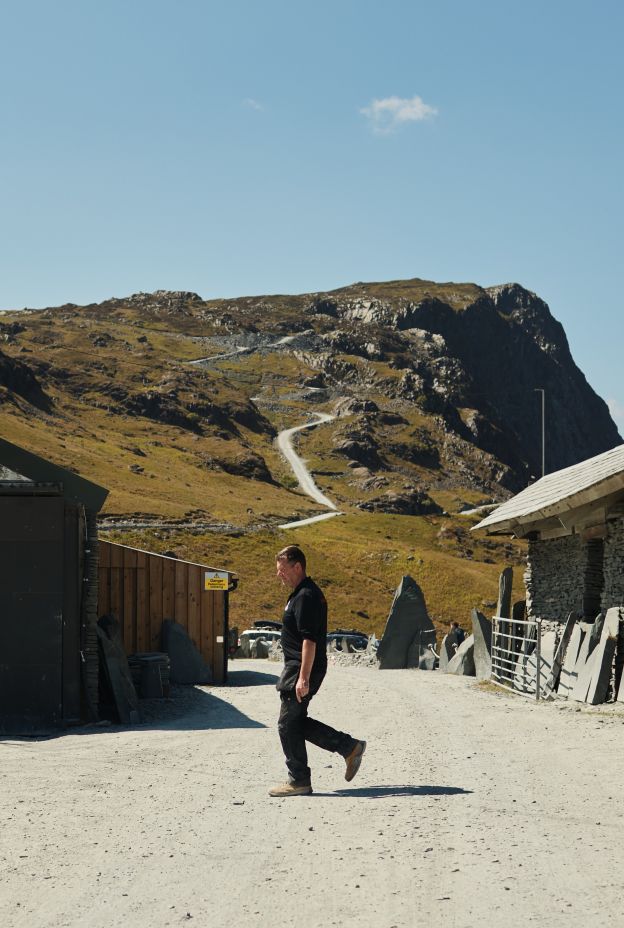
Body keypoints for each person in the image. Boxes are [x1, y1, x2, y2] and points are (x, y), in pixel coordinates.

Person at [269, 545, 366, 797]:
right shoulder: (301, 593)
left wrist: (303, 677)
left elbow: (309, 640)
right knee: (295, 723)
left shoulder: (306, 596)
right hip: (298, 668)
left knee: (286, 725)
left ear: (297, 566)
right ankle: (349, 747)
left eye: (282, 570)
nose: (279, 575)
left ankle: (299, 780)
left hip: (300, 668)